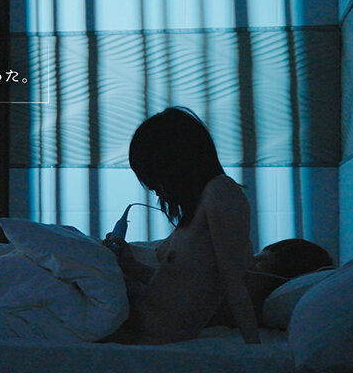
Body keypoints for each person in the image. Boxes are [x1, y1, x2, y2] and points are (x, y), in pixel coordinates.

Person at [101, 107, 260, 345]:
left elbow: (233, 283)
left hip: (150, 334)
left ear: (173, 163)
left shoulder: (221, 192)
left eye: (152, 175)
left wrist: (254, 347)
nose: (151, 187)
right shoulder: (197, 207)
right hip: (136, 322)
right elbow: (181, 286)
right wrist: (130, 266)